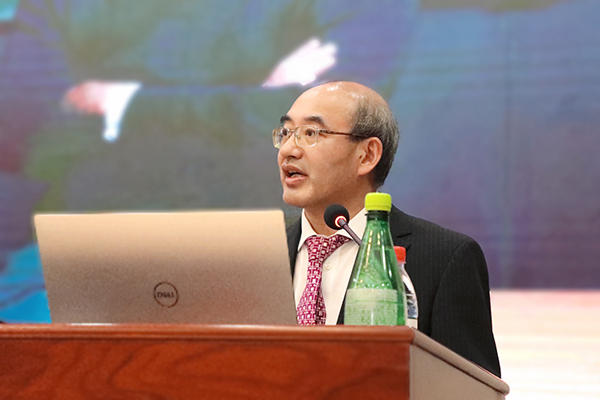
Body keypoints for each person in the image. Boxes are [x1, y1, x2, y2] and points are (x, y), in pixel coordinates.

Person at [275, 81, 501, 377]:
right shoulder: (261, 254)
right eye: (286, 132)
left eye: (311, 133)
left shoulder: (443, 259)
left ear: (367, 155)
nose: (288, 150)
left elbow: (472, 390)